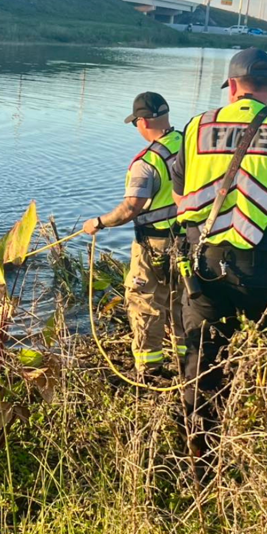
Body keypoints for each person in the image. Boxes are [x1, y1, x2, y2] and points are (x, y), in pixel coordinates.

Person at [170, 48, 267, 469]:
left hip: (204, 268)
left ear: (233, 87)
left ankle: (200, 466)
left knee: (202, 370)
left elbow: (180, 189)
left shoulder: (196, 126)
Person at [83, 92, 186, 377]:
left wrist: (99, 223)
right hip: (188, 239)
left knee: (144, 301)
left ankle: (149, 368)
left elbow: (130, 209)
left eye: (135, 123)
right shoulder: (189, 145)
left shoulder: (147, 162)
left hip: (154, 243)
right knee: (180, 300)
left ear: (142, 122)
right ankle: (186, 362)